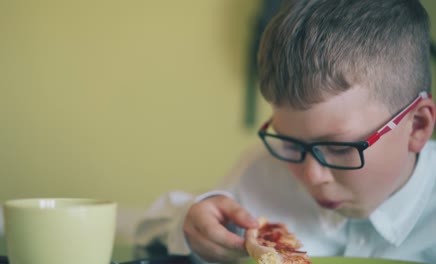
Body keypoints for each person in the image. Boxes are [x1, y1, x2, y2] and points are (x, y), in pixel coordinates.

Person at [134, 0, 436, 263]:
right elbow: (148, 232)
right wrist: (191, 222)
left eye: (341, 148)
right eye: (291, 143)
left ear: (418, 126)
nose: (311, 176)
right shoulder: (261, 174)